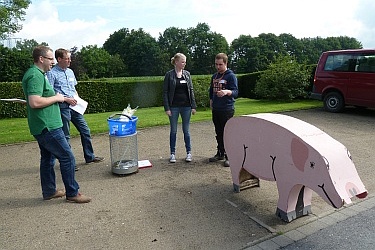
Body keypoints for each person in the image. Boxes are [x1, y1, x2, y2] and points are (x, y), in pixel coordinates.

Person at [22, 45, 91, 203]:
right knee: (67, 157)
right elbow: (34, 102)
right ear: (41, 59)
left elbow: (34, 99)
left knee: (47, 159)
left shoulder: (36, 74)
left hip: (43, 125)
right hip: (48, 126)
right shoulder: (35, 75)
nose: (52, 62)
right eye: (50, 58)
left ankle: (49, 191)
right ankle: (73, 193)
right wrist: (58, 98)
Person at [46, 48, 104, 170]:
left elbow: (73, 88)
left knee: (85, 130)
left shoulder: (70, 72)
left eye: (70, 58)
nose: (70, 61)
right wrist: (66, 99)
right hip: (63, 107)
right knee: (65, 135)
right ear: (59, 59)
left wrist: (78, 99)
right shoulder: (52, 73)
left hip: (75, 106)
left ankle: (90, 156)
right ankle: (69, 162)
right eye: (67, 58)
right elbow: (51, 93)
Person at [163, 53, 197, 163]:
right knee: (173, 131)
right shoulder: (169, 75)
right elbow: (165, 92)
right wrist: (167, 108)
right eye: (182, 61)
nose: (184, 63)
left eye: (185, 61)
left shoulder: (187, 74)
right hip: (173, 107)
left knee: (186, 131)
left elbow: (191, 90)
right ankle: (172, 154)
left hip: (186, 107)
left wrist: (193, 106)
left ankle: (189, 153)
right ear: (176, 62)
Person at [208, 53, 239, 167]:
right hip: (216, 109)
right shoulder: (214, 76)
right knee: (219, 132)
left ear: (226, 63)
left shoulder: (231, 76)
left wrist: (227, 92)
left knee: (228, 134)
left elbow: (236, 92)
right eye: (216, 64)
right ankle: (220, 153)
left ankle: (229, 156)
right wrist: (211, 100)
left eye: (220, 64)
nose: (218, 67)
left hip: (227, 109)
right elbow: (211, 90)